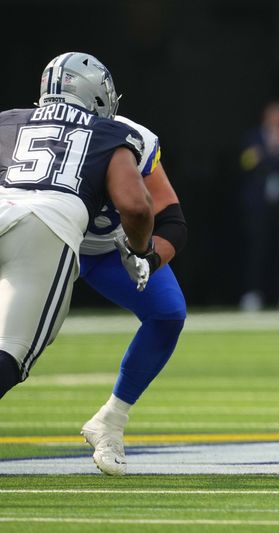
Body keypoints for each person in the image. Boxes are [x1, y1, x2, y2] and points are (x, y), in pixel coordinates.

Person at [0, 52, 154, 410]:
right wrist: (141, 249)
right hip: (44, 227)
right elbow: (135, 205)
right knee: (11, 354)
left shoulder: (8, 121)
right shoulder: (112, 132)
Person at [72, 74, 188, 473]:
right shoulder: (19, 130)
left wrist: (149, 259)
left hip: (108, 250)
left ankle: (111, 421)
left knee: (167, 312)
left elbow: (170, 218)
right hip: (50, 241)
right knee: (20, 339)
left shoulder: (132, 139)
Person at [239, 101, 279, 311]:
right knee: (258, 249)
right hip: (259, 205)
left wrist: (278, 151)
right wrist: (270, 152)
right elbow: (246, 163)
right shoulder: (253, 137)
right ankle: (252, 293)